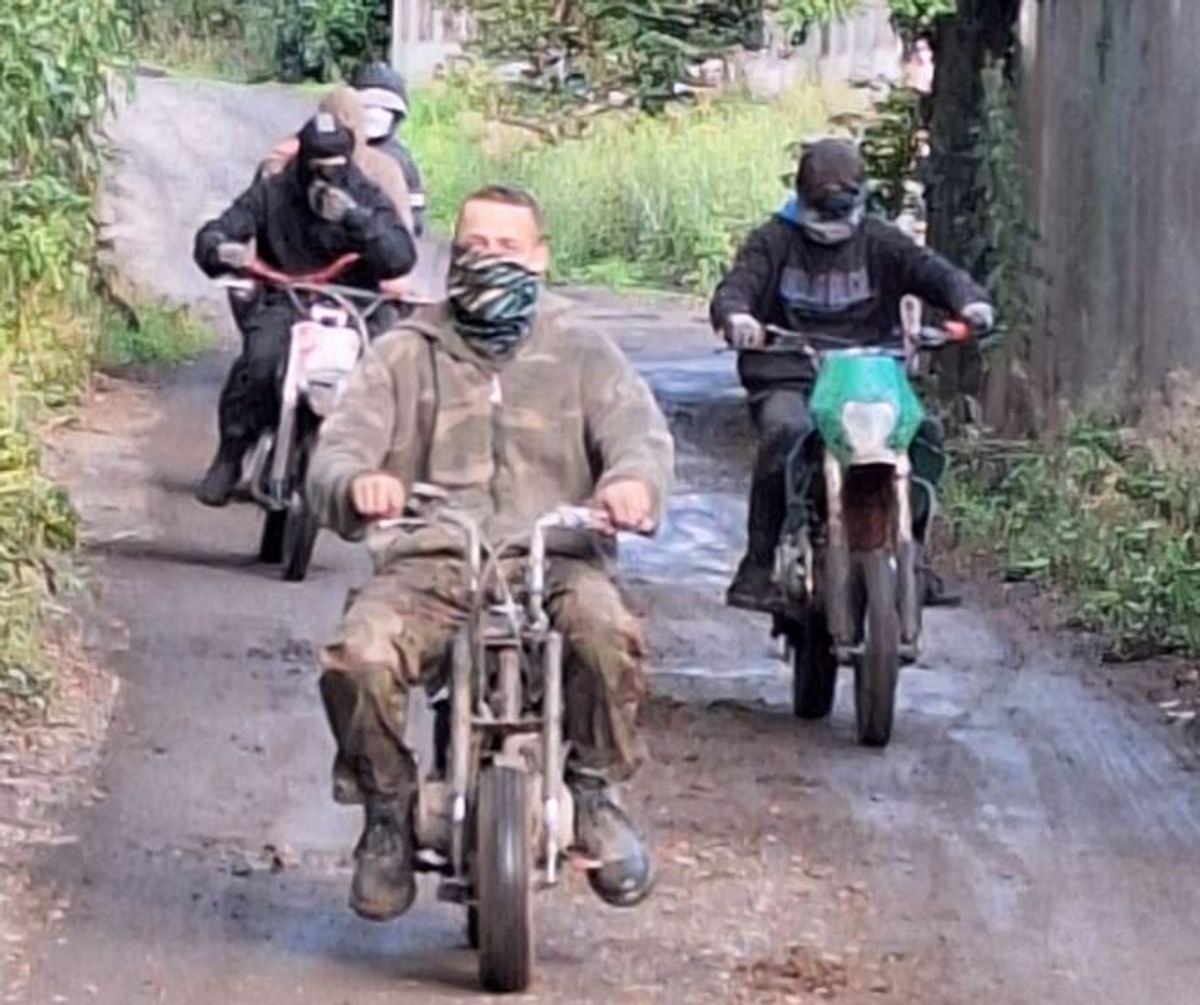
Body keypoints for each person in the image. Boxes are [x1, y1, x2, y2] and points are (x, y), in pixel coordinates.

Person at [308, 184, 673, 921]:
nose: (488, 260)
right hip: (433, 560)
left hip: (555, 557)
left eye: (506, 249)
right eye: (473, 247)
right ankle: (387, 809)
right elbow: (336, 449)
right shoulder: (406, 351)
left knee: (609, 638)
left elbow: (640, 435)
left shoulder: (581, 349)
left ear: (539, 258)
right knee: (360, 654)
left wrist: (632, 484)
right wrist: (359, 483)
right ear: (451, 257)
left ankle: (595, 791)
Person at [710, 138, 994, 613]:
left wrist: (971, 302)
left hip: (870, 373)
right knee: (785, 433)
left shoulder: (881, 241)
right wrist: (738, 318)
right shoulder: (773, 241)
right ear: (801, 199)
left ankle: (915, 553)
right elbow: (737, 288)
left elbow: (934, 272)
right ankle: (758, 565)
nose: (832, 226)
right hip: (792, 371)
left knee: (923, 434)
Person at [193, 112, 417, 507]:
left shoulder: (365, 196)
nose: (325, 179)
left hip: (355, 305)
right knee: (259, 361)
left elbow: (401, 257)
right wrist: (218, 247)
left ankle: (379, 466)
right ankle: (232, 453)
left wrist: (355, 219)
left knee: (387, 370)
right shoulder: (273, 192)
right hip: (288, 298)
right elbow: (221, 230)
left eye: (335, 169)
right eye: (317, 169)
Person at [349, 61, 427, 236]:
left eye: (384, 109)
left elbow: (415, 212)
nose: (374, 115)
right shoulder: (336, 148)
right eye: (366, 107)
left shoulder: (402, 160)